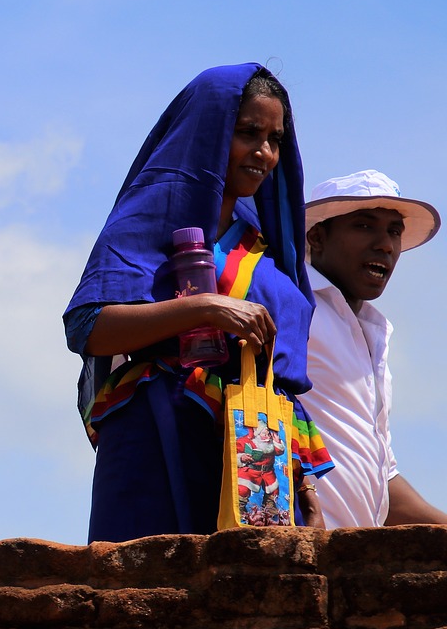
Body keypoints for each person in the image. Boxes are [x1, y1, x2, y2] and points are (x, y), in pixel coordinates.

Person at [64, 63, 332, 542]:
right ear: (208, 135)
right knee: (146, 596)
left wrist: (304, 474)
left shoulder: (267, 250)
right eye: (248, 133)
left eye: (275, 139)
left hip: (256, 454)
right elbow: (89, 327)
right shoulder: (147, 229)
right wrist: (205, 308)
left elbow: (284, 379)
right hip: (156, 439)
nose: (265, 153)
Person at [303, 170, 447, 527]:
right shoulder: (292, 305)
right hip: (293, 552)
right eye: (365, 226)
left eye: (394, 231)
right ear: (317, 237)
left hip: (347, 564)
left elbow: (380, 477)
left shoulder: (372, 330)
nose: (385, 244)